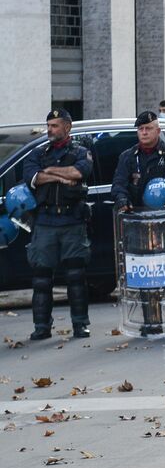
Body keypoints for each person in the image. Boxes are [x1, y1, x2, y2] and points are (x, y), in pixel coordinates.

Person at [20, 109, 93, 340]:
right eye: (48, 125)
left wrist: (49, 171)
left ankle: (80, 325)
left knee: (76, 276)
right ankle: (42, 327)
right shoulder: (38, 153)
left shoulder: (81, 151)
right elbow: (33, 177)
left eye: (54, 125)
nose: (50, 129)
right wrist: (60, 177)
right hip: (45, 221)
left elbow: (79, 172)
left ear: (67, 127)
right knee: (41, 278)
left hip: (72, 220)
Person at [113, 112, 165, 213]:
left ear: (158, 131)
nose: (144, 132)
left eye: (148, 128)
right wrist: (121, 198)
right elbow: (119, 183)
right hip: (136, 217)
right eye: (141, 129)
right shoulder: (127, 156)